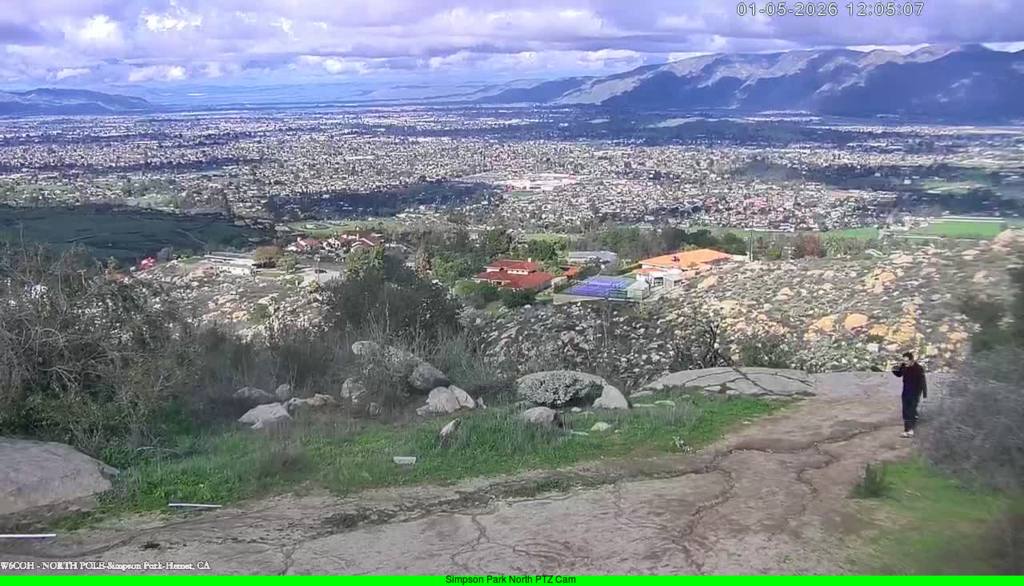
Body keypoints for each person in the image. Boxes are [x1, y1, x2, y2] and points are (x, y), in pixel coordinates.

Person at [892, 351, 927, 438]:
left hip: (915, 392)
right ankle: (906, 430)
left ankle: (911, 430)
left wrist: (924, 394)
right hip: (906, 392)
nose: (905, 363)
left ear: (912, 360)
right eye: (904, 361)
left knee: (911, 411)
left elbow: (923, 382)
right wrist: (894, 370)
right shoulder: (904, 366)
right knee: (905, 411)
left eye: (907, 361)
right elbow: (899, 374)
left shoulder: (918, 368)